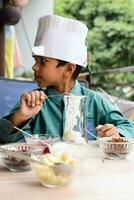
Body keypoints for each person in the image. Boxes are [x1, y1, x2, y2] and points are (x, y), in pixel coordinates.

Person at [0, 14, 134, 143]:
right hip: (44, 165)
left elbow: (129, 127)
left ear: (69, 69)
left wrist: (116, 132)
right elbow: (3, 138)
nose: (34, 67)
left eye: (42, 61)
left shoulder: (94, 101)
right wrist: (20, 116)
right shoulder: (32, 102)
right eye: (35, 60)